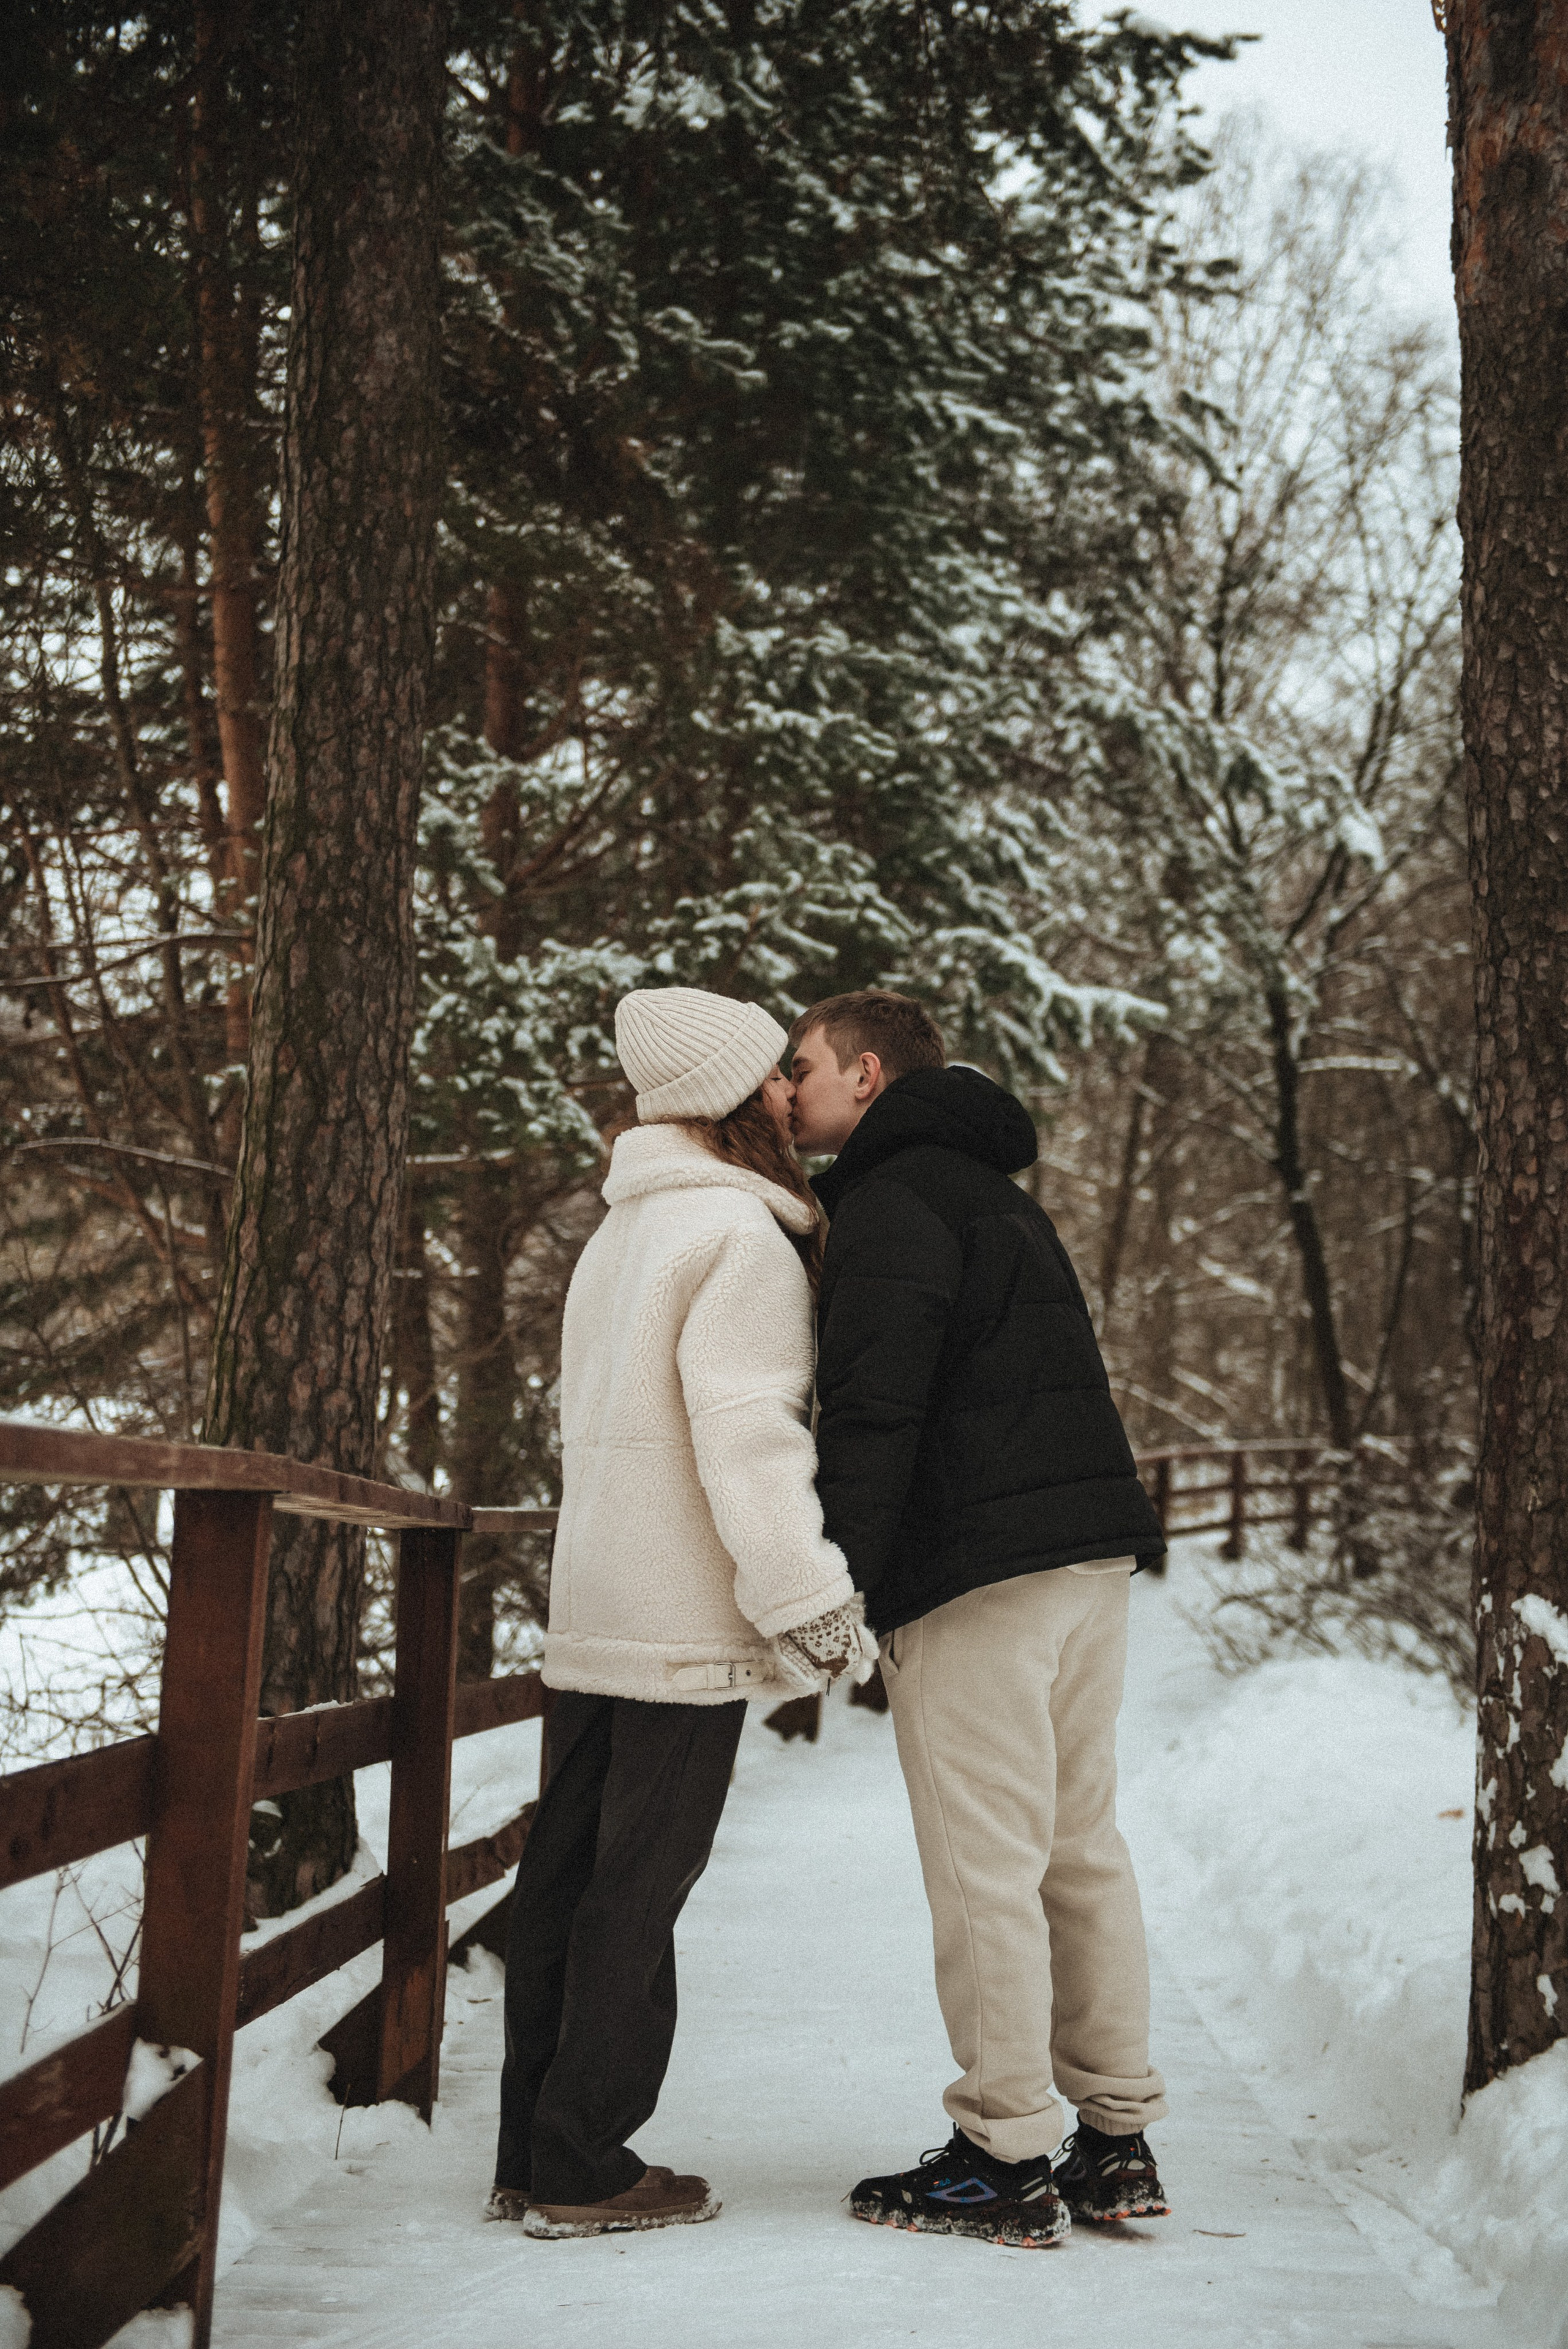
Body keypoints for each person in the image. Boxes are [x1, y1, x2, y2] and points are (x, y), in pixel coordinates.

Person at [489, 986, 874, 2241]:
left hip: (597, 1606)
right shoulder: (741, 1239)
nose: (790, 1093)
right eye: (774, 1075)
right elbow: (747, 1441)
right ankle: (583, 2166)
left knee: (564, 1879)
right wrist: (811, 1603)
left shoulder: (625, 1235)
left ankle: (529, 2148)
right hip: (679, 1624)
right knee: (636, 1891)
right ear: (732, 1097)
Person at [788, 988, 1170, 2251]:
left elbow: (873, 1407)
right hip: (1083, 1554)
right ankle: (1114, 2138)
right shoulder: (997, 1197)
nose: (784, 1093)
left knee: (984, 1864)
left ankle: (1002, 2153)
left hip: (978, 1569)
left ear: (865, 1072)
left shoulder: (891, 1201)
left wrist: (839, 1581)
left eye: (801, 1067)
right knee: (1077, 1846)